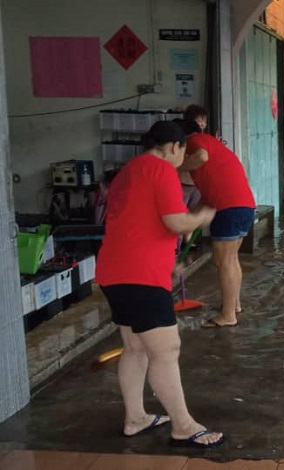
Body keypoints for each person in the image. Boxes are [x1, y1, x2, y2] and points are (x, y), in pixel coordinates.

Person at [95, 121, 224, 448]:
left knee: (135, 347)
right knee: (167, 351)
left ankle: (135, 417)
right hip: (140, 277)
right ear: (174, 146)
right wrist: (202, 217)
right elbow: (176, 222)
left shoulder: (128, 171)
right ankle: (183, 425)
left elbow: (141, 224)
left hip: (116, 272)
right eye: (183, 151)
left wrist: (169, 263)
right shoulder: (161, 169)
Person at [179, 120, 256, 328]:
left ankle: (228, 315)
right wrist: (189, 224)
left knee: (224, 262)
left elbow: (200, 156)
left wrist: (174, 167)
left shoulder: (195, 141)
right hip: (244, 206)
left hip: (228, 208)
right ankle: (234, 305)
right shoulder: (216, 150)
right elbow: (206, 199)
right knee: (231, 259)